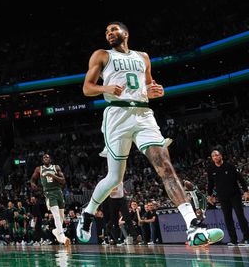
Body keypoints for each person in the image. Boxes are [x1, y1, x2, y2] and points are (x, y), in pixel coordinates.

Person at [75, 22, 223, 248]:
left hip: (143, 114)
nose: (109, 34)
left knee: (165, 166)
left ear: (125, 33)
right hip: (117, 115)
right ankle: (88, 212)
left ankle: (193, 226)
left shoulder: (143, 57)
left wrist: (155, 91)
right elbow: (87, 87)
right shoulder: (102, 55)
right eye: (106, 31)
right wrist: (105, 88)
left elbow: (148, 86)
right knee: (115, 178)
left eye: (113, 30)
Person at [207, 149, 249, 246]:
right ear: (212, 158)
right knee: (227, 218)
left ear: (221, 156)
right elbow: (210, 183)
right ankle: (233, 240)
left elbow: (241, 179)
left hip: (235, 195)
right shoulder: (211, 169)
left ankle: (247, 238)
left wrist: (246, 191)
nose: (215, 157)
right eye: (213, 156)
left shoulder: (230, 166)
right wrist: (210, 195)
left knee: (240, 216)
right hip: (223, 197)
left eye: (217, 155)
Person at [30, 153, 70, 246]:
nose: (45, 158)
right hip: (48, 193)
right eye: (44, 157)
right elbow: (32, 179)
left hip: (58, 192)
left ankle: (56, 231)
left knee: (61, 217)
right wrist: (32, 183)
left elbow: (63, 180)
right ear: (42, 160)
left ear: (50, 159)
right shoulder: (39, 169)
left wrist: (53, 176)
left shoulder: (56, 167)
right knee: (55, 214)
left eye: (47, 157)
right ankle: (62, 236)